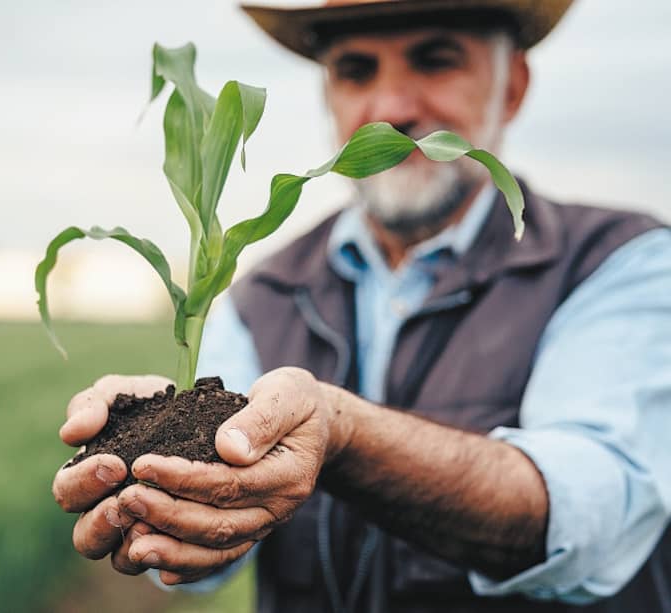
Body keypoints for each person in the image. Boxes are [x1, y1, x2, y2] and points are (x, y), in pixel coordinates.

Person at [52, 1, 671, 610]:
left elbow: (598, 517)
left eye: (435, 60)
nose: (392, 108)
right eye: (356, 70)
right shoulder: (262, 296)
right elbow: (206, 554)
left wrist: (342, 433)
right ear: (328, 94)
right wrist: (158, 482)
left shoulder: (620, 262)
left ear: (512, 87)